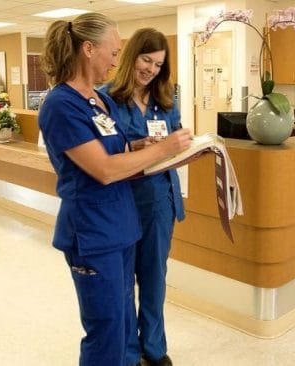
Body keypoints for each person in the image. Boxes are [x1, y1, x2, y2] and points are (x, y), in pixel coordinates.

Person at [37, 13, 191, 366]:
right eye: (113, 51)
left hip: (121, 227)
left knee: (121, 324)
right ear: (88, 49)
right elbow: (105, 170)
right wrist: (162, 149)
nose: (115, 60)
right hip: (92, 231)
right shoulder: (62, 104)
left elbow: (119, 153)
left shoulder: (97, 101)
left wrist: (146, 149)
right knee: (105, 330)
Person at [99, 28, 181, 366]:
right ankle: (129, 352)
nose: (151, 69)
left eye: (158, 64)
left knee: (154, 277)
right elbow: (101, 150)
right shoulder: (105, 99)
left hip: (160, 200)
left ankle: (154, 347)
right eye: (146, 60)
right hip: (123, 200)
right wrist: (135, 146)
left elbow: (175, 142)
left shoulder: (165, 102)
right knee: (122, 280)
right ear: (131, 56)